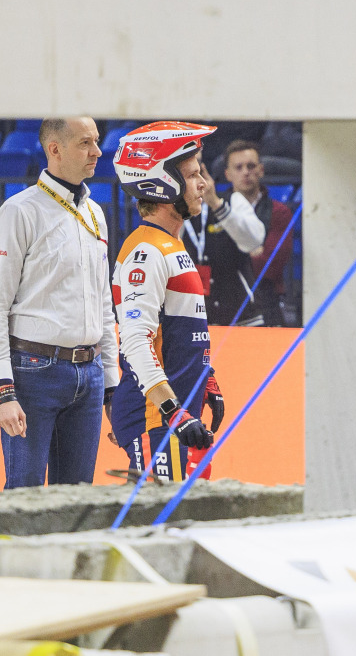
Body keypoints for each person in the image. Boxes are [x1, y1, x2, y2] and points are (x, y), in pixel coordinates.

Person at [109, 123, 264, 482]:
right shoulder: (146, 250)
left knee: (184, 512)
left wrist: (206, 378)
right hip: (158, 419)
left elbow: (179, 332)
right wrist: (174, 412)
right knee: (161, 515)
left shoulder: (169, 244)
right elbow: (135, 342)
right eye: (193, 175)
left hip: (177, 416)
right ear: (162, 182)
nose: (203, 184)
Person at [0, 117, 119, 489]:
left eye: (97, 141)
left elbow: (103, 303)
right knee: (24, 498)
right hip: (33, 374)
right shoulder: (18, 212)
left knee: (76, 499)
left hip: (90, 374)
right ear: (55, 149)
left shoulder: (95, 214)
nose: (97, 152)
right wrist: (3, 391)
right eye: (85, 143)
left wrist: (111, 385)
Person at [202, 141, 295, 327]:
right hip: (223, 305)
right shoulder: (209, 209)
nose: (245, 172)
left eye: (251, 166)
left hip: (267, 303)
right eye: (238, 167)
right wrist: (250, 251)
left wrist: (231, 259)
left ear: (261, 170)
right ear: (227, 174)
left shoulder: (279, 211)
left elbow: (271, 266)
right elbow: (208, 262)